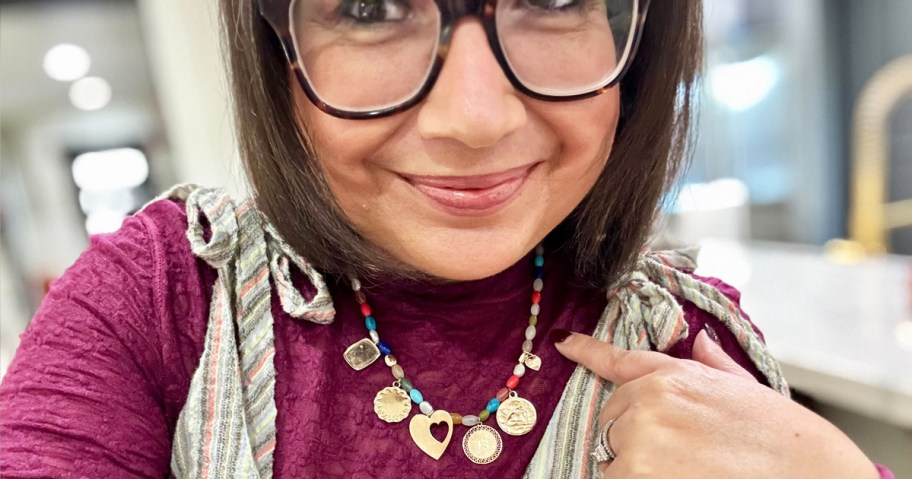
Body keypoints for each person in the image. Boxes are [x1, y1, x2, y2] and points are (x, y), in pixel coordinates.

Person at [0, 0, 895, 477]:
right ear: (276, 47)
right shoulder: (161, 299)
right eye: (370, 5)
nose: (475, 118)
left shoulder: (687, 338)